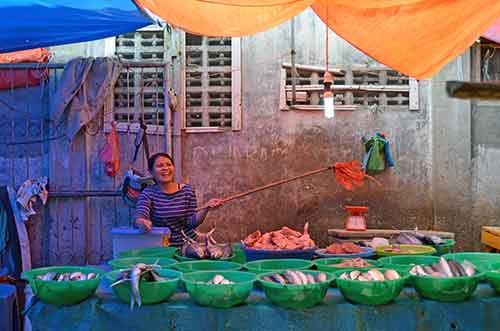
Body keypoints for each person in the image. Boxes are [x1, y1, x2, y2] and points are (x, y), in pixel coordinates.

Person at [134, 153, 223, 247]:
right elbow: (140, 215)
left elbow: (190, 223)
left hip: (187, 245)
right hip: (161, 246)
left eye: (169, 164)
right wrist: (142, 222)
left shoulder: (187, 191)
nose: (165, 168)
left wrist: (206, 208)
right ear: (151, 172)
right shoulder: (148, 193)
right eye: (160, 166)